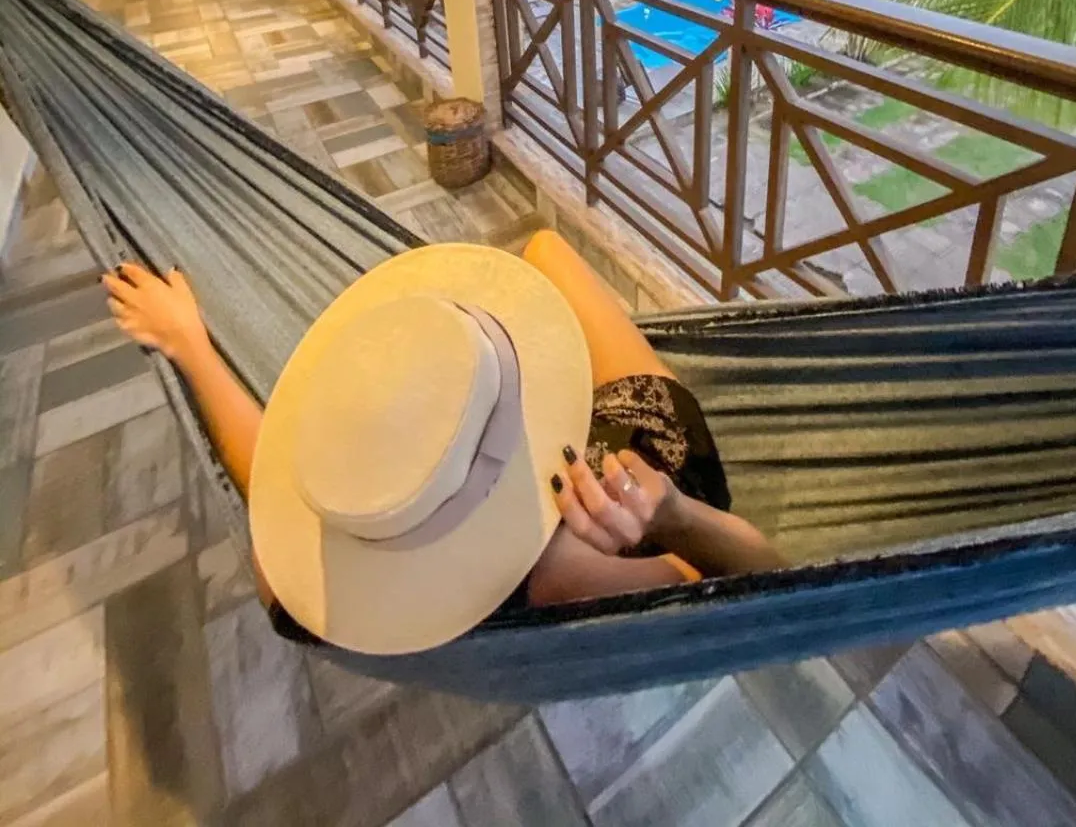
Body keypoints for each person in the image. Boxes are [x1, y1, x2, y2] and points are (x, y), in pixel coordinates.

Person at [102, 229, 783, 655]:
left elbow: (269, 478)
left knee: (539, 257)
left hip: (551, 473)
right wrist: (674, 515)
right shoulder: (558, 566)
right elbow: (756, 579)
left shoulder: (305, 585)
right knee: (544, 250)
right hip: (642, 474)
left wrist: (191, 346)